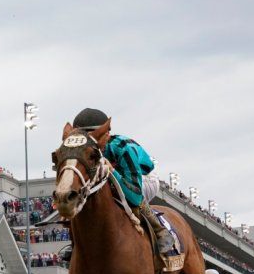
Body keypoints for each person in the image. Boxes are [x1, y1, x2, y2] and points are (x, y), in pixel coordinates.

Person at [70, 108, 175, 254]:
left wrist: (112, 171)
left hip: (144, 179)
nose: (87, 141)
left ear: (106, 134)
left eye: (92, 135)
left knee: (122, 194)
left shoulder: (123, 148)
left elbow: (134, 193)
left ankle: (160, 230)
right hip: (114, 177)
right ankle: (75, 240)